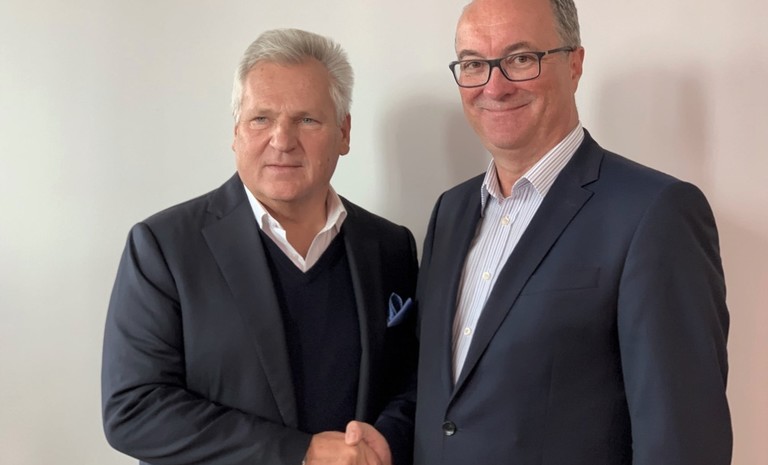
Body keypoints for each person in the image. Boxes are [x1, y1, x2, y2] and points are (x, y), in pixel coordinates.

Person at [411, 0, 732, 463]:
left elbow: (682, 443)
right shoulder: (450, 212)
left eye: (521, 58)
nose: (494, 86)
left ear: (575, 63)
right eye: (474, 64)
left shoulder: (654, 213)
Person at [102, 28, 417, 465]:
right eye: (261, 119)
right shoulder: (164, 248)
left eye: (307, 120)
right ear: (236, 131)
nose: (282, 140)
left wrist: (383, 442)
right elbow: (134, 410)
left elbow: (414, 383)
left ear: (344, 133)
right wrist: (301, 453)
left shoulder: (389, 246)